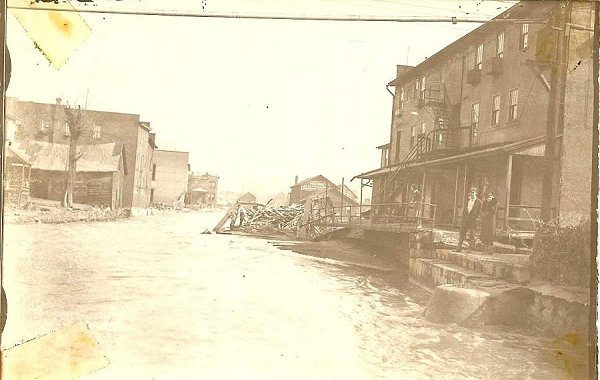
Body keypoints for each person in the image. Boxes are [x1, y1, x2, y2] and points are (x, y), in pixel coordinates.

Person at [454, 187, 482, 252]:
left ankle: (470, 248)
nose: (472, 194)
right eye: (471, 192)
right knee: (462, 233)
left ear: (476, 193)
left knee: (472, 234)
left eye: (473, 193)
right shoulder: (467, 200)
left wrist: (476, 219)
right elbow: (465, 210)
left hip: (473, 220)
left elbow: (480, 212)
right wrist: (463, 218)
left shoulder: (478, 202)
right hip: (466, 219)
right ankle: (459, 247)